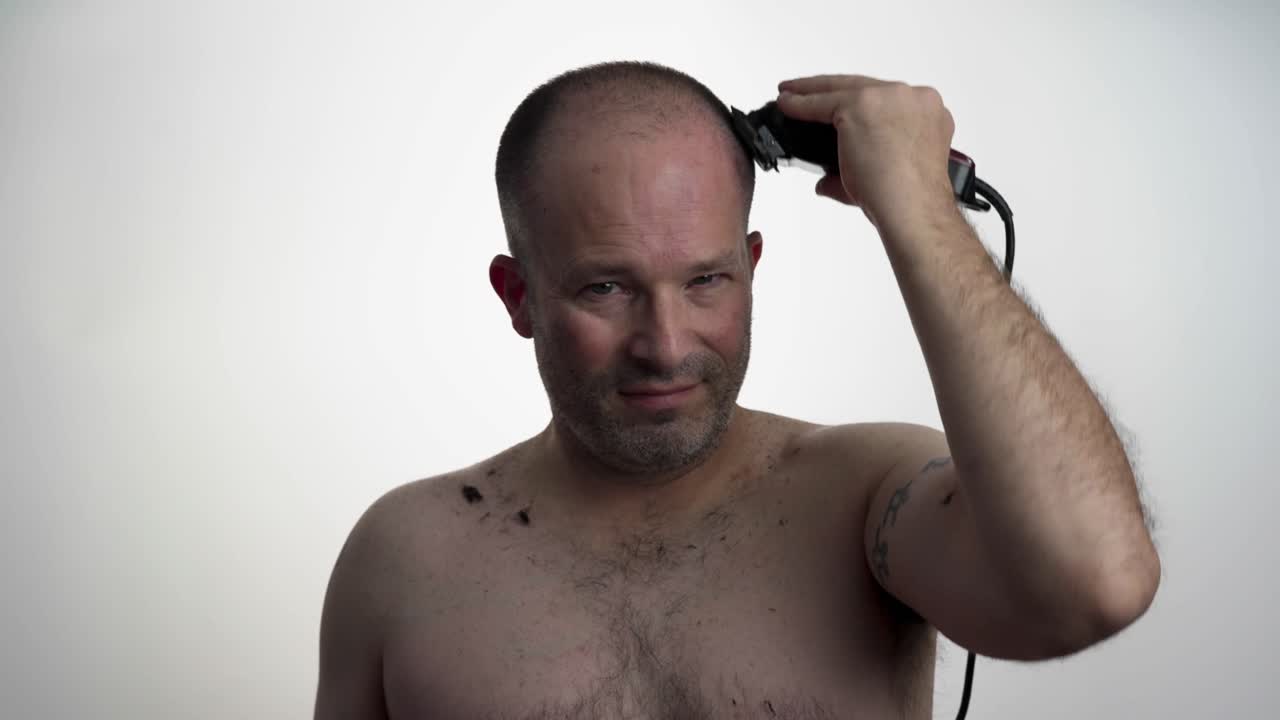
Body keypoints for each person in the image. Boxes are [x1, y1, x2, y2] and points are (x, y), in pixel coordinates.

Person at [314, 61, 1161, 719]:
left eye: (707, 281)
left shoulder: (863, 501)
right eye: (605, 289)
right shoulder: (405, 559)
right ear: (518, 296)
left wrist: (921, 215)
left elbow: (1098, 582)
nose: (667, 345)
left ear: (752, 269)